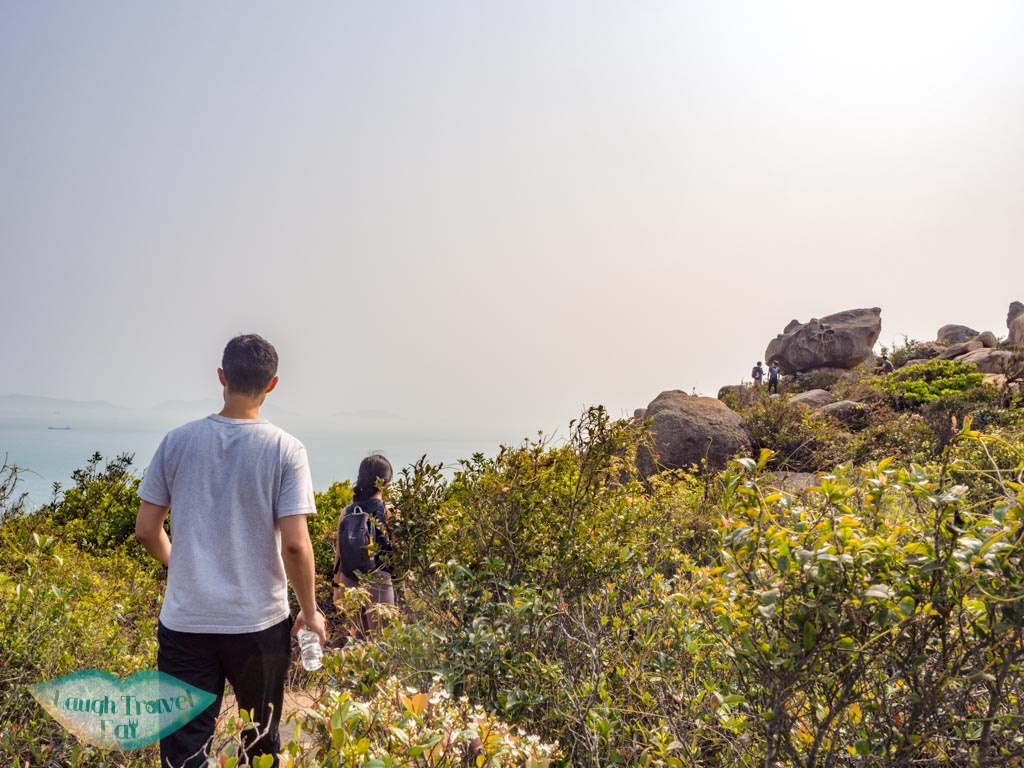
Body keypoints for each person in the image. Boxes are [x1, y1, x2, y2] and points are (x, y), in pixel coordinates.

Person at [134, 334, 326, 768]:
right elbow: (295, 544)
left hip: (186, 622)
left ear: (221, 377)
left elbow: (146, 530)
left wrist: (182, 564)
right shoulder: (285, 449)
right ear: (272, 384)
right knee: (260, 742)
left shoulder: (177, 441)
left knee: (184, 749)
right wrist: (310, 611)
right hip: (258, 623)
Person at [333, 454, 397, 639]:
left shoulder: (347, 512)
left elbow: (339, 554)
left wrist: (336, 587)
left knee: (358, 639)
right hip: (379, 582)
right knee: (382, 641)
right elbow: (397, 554)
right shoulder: (390, 511)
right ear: (385, 482)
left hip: (349, 580)